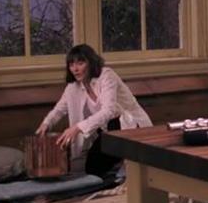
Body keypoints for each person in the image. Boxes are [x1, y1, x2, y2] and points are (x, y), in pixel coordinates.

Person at [36, 44, 152, 178]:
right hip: (108, 129)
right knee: (92, 167)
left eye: (80, 63)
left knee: (106, 167)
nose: (75, 69)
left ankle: (123, 170)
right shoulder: (74, 86)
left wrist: (77, 128)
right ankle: (117, 169)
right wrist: (46, 123)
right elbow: (60, 108)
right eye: (71, 64)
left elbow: (109, 110)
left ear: (91, 63)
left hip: (130, 125)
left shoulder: (107, 75)